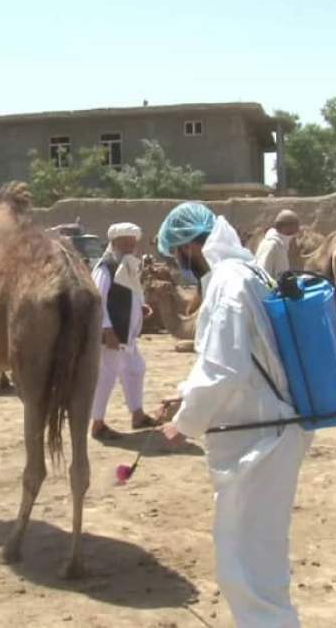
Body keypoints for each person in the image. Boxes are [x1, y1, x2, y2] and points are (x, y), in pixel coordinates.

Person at [156, 202, 312, 627]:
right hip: (268, 429)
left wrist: (184, 423)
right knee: (257, 561)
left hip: (260, 441)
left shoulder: (226, 281)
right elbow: (239, 359)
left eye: (176, 253)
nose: (177, 262)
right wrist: (185, 394)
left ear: (190, 244)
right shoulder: (246, 273)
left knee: (247, 571)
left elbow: (224, 369)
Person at [90, 222, 157, 440]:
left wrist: (140, 308)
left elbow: (131, 293)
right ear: (115, 242)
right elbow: (98, 300)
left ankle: (137, 415)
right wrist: (107, 329)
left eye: (132, 240)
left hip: (126, 334)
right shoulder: (106, 267)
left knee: (136, 369)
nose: (130, 245)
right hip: (112, 334)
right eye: (125, 241)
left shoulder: (128, 266)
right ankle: (97, 424)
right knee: (106, 376)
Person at [254, 209, 300, 279]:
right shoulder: (271, 244)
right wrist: (273, 288)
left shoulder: (281, 244)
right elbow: (263, 274)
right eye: (295, 226)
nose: (297, 230)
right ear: (286, 227)